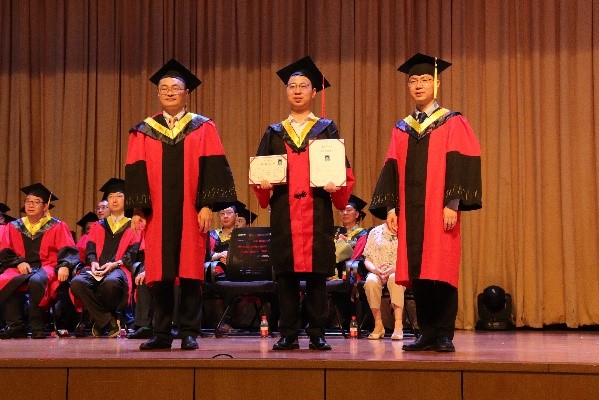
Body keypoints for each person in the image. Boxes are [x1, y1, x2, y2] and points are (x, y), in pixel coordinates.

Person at [369, 53, 482, 352]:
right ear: (408, 86)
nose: (419, 85)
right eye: (413, 81)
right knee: (418, 272)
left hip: (440, 208)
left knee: (441, 269)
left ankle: (444, 334)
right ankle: (426, 333)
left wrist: (453, 202)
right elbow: (392, 166)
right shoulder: (402, 128)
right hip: (410, 211)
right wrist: (391, 207)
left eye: (425, 80)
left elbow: (460, 161)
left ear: (437, 83)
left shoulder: (452, 121)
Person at [125, 59, 237, 350]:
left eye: (175, 88)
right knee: (159, 273)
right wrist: (138, 209)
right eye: (164, 88)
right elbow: (136, 170)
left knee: (190, 271)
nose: (169, 92)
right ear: (158, 93)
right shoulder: (144, 130)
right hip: (157, 212)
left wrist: (207, 205)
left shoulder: (203, 127)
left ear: (187, 93)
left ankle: (189, 331)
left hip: (191, 209)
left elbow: (214, 167)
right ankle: (161, 332)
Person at [253, 56, 354, 351]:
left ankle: (317, 332)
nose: (297, 91)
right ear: (286, 92)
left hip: (317, 210)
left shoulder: (326, 129)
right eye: (292, 86)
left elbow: (343, 171)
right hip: (284, 211)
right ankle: (288, 333)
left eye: (304, 86)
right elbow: (259, 171)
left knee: (317, 276)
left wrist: (337, 186)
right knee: (285, 276)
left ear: (314, 92)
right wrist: (262, 184)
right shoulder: (274, 132)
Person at [0, 183, 79, 339]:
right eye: (28, 201)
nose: (31, 205)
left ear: (45, 206)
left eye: (36, 202)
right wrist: (18, 262)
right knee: (5, 280)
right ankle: (16, 325)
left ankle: (37, 325)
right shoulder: (14, 226)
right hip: (21, 266)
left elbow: (68, 249)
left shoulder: (57, 226)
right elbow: (4, 250)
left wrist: (65, 265)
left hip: (47, 266)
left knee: (37, 281)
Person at [70, 178, 141, 338]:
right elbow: (90, 250)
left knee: (110, 283)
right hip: (96, 268)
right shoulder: (98, 226)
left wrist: (114, 264)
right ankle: (108, 320)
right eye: (111, 196)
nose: (114, 200)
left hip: (119, 268)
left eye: (119, 196)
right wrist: (93, 262)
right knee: (77, 283)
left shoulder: (133, 225)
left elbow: (133, 253)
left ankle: (99, 321)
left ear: (126, 200)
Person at [362, 222, 405, 340]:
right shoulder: (375, 232)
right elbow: (367, 259)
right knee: (370, 281)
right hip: (378, 271)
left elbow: (411, 258)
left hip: (398, 270)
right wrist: (375, 270)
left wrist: (396, 268)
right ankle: (378, 324)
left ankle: (398, 325)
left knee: (395, 279)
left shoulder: (406, 229)